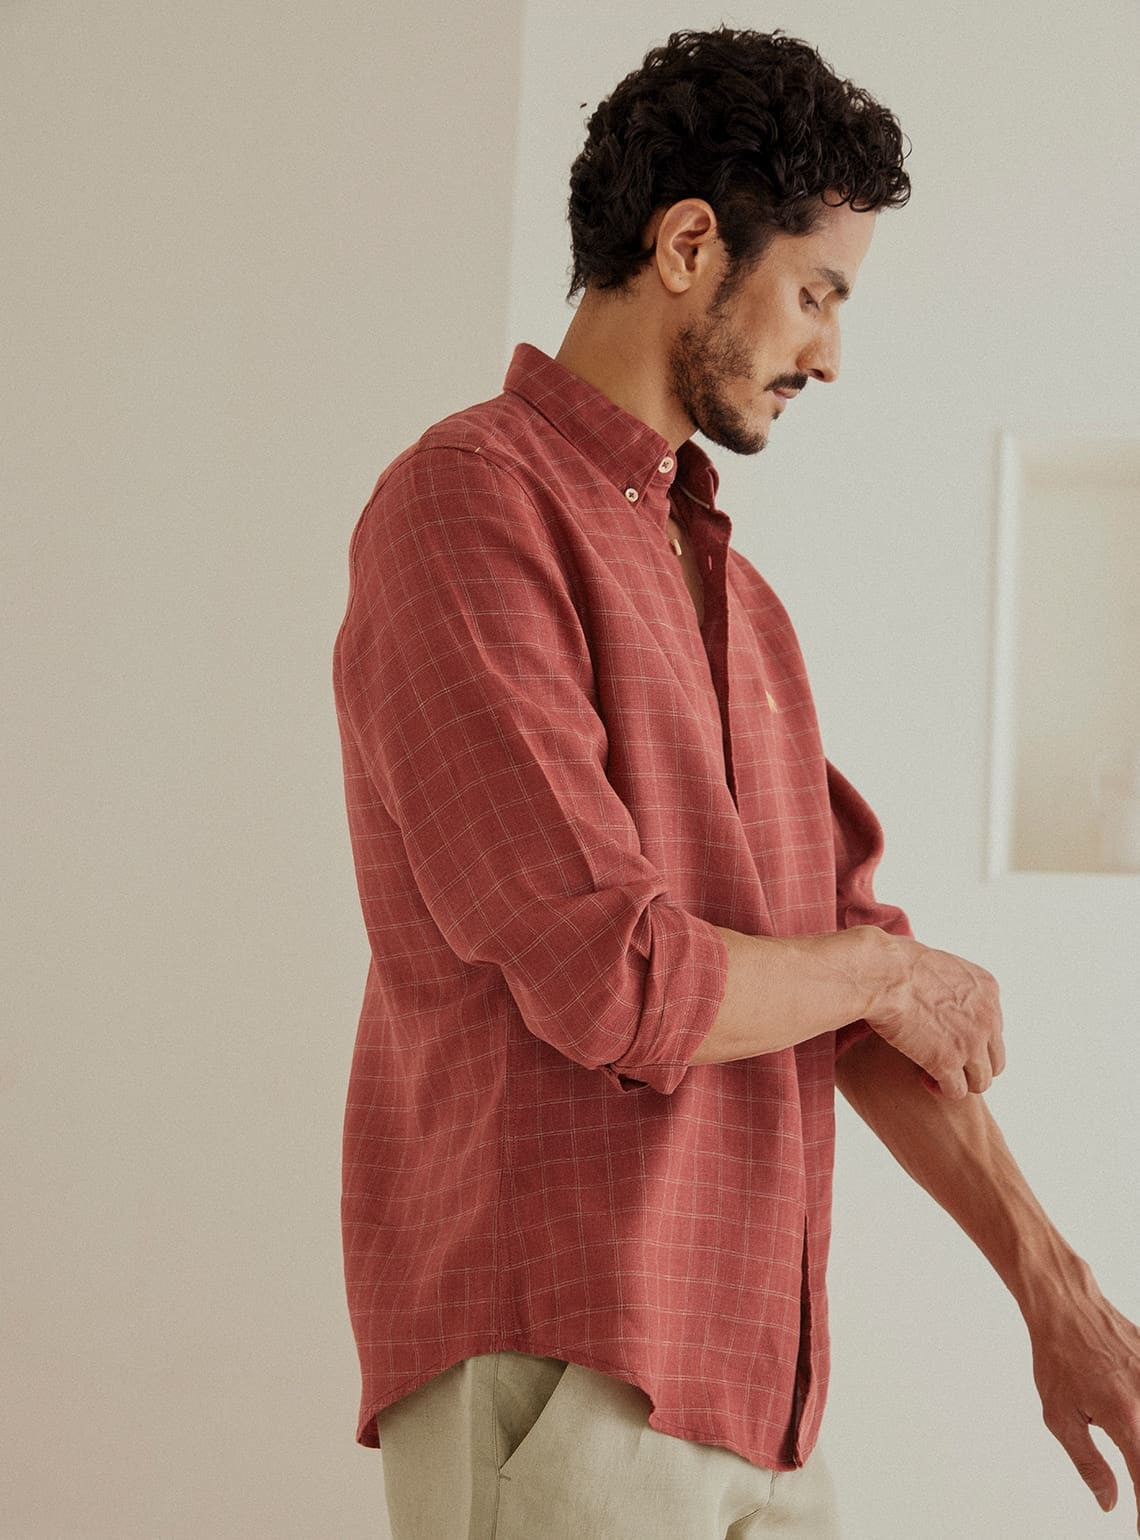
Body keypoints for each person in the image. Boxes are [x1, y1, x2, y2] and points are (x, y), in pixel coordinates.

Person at [331, 25, 1140, 1538]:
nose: (833, 351)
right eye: (819, 290)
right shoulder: (464, 504)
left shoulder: (737, 602)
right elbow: (610, 979)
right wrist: (873, 974)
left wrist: (1061, 1293)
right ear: (691, 243)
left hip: (758, 1400)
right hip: (561, 1377)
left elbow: (856, 987)